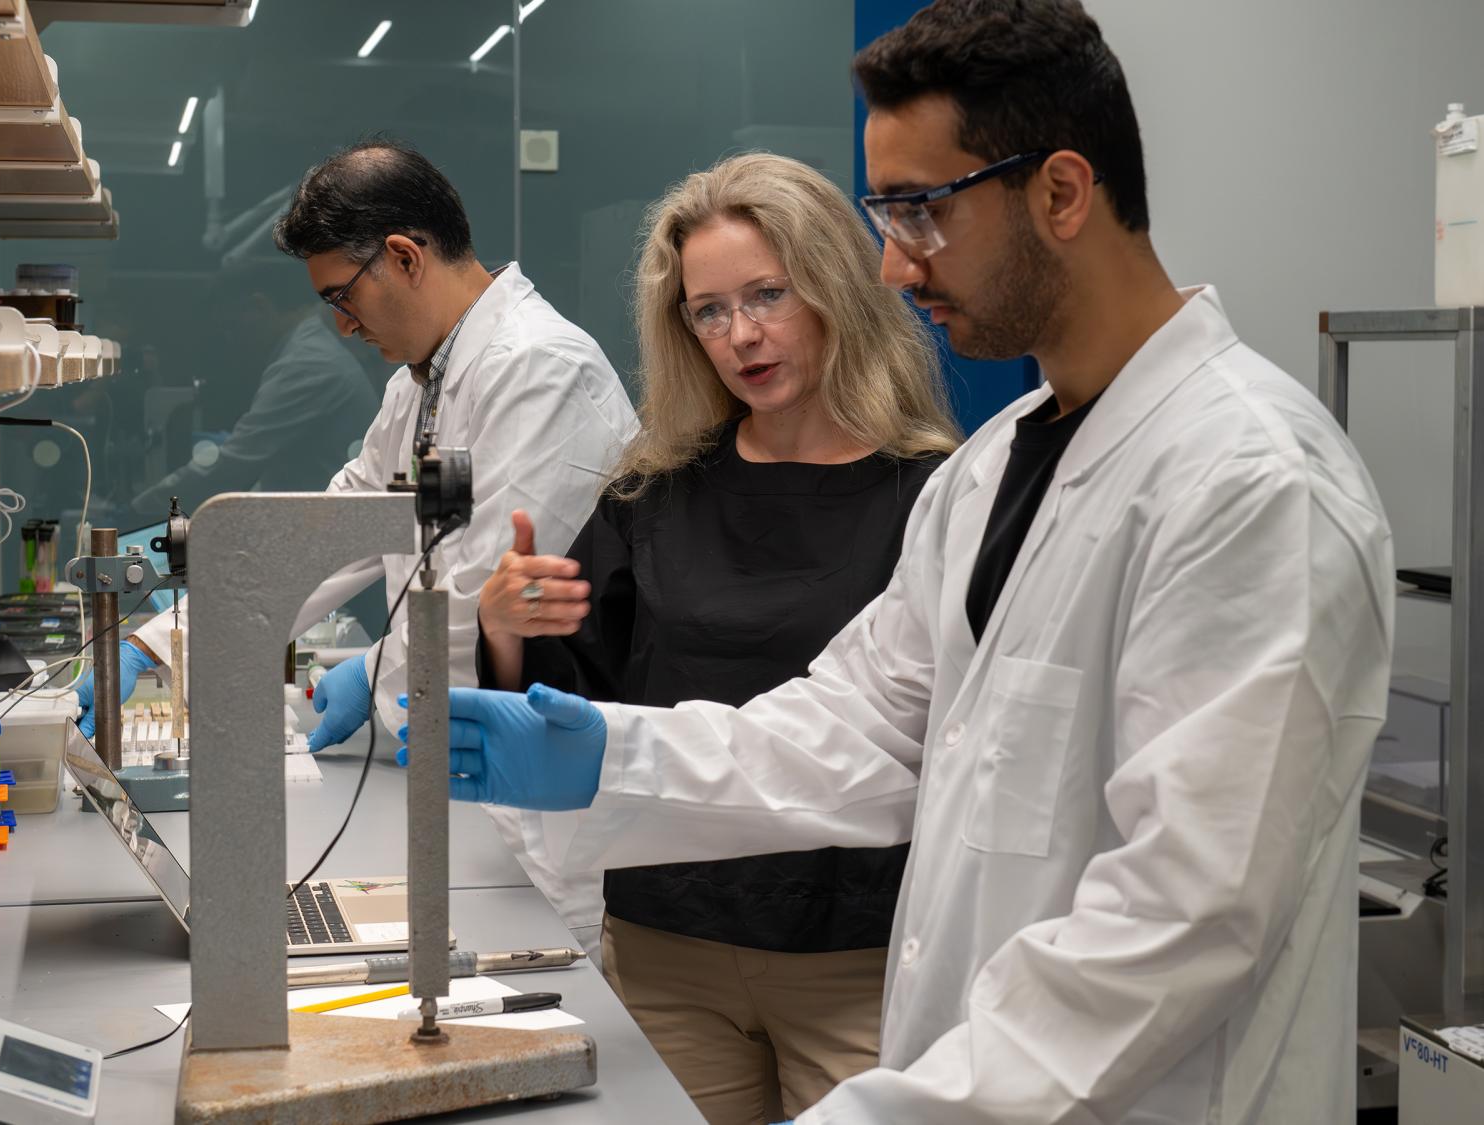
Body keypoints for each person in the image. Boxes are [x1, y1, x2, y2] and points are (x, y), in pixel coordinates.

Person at [407, 3, 1395, 1122]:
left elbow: (1185, 917)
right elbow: (854, 731)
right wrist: (606, 753)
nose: (889, 262)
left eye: (920, 213)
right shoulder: (995, 476)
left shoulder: (1249, 483)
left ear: (1061, 193)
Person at [473, 153, 959, 1123]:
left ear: (834, 289)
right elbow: (571, 705)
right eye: (709, 311)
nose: (742, 335)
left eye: (767, 296)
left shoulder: (937, 497)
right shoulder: (654, 492)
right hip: (668, 948)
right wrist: (505, 626)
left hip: (858, 956)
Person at [79, 140, 636, 952]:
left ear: (405, 256)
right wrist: (156, 642)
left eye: (342, 296)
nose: (341, 324)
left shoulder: (539, 370)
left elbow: (484, 613)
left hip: (527, 820)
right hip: (445, 784)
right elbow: (331, 531)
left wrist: (364, 672)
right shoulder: (421, 382)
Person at [129, 259, 379, 516]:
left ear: (258, 307)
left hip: (332, 532)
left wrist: (138, 511)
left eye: (231, 328)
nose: (232, 343)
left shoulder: (308, 363)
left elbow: (232, 466)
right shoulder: (305, 351)